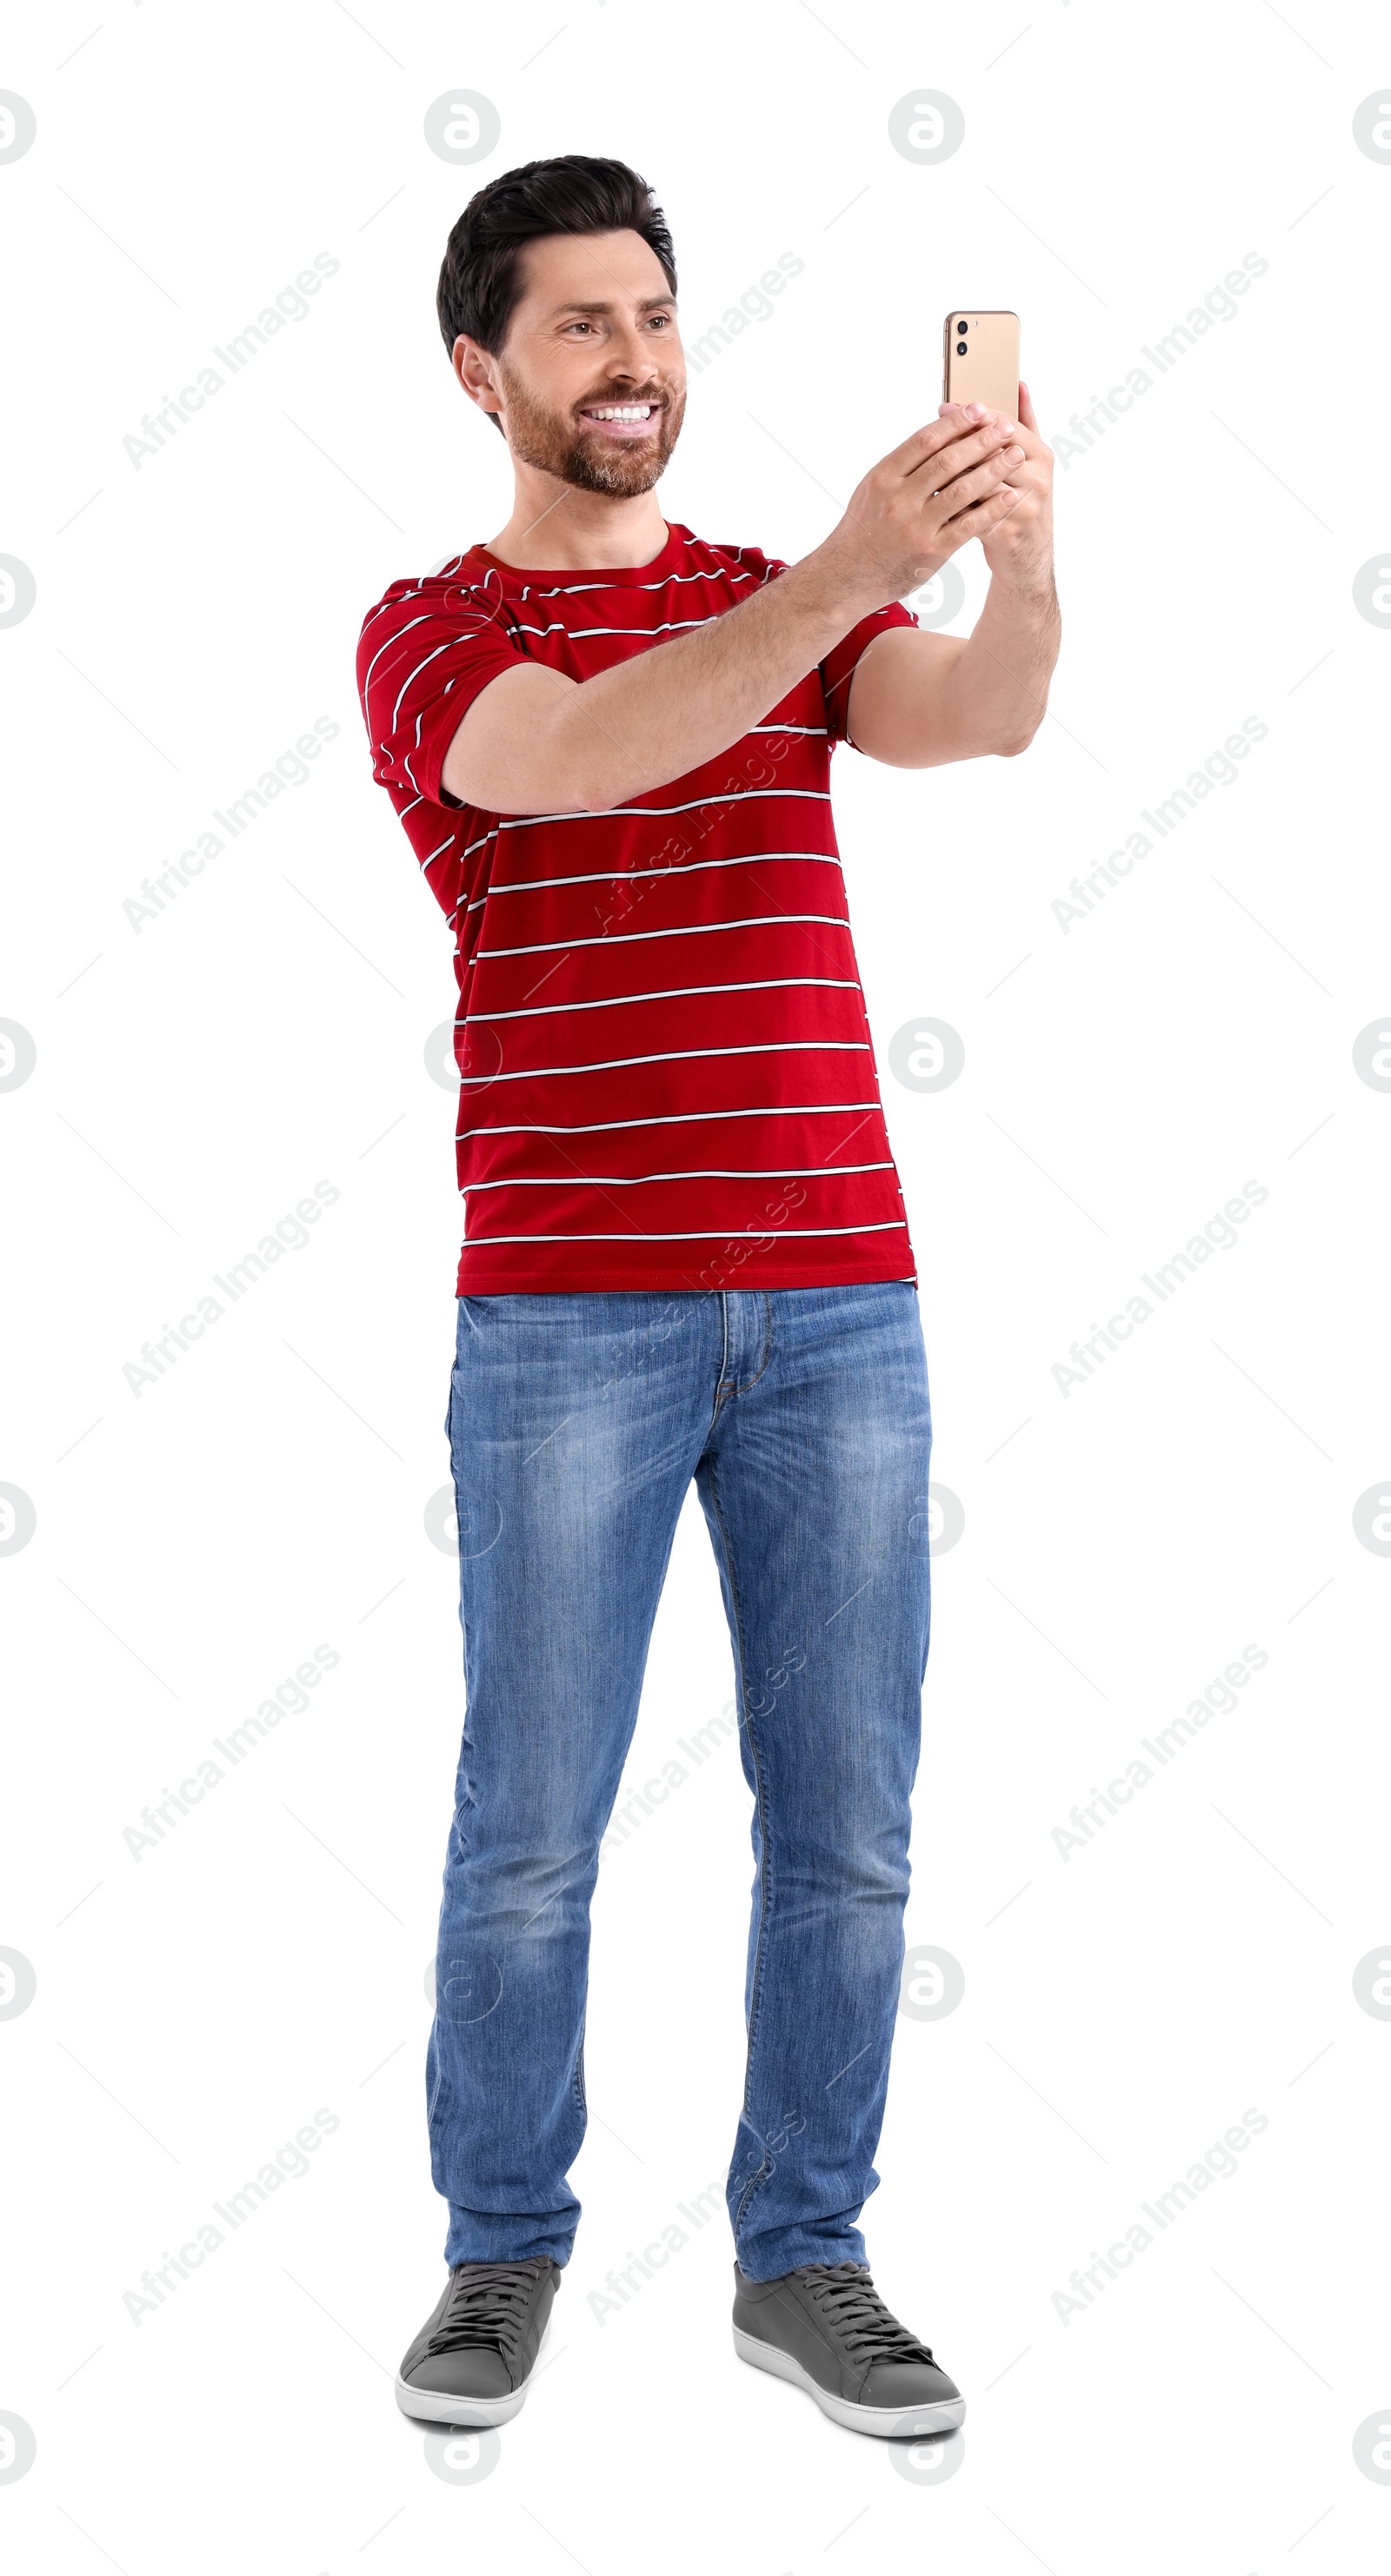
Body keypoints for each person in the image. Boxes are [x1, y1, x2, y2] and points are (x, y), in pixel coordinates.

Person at [356, 153, 1057, 2440]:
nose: (633, 356)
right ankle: (500, 2246)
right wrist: (858, 565)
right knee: (533, 1817)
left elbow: (979, 719)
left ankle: (808, 2252)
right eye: (577, 324)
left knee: (850, 1813)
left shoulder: (789, 601)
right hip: (568, 1313)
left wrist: (1015, 566)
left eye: (651, 313)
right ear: (484, 372)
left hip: (841, 1297)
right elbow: (580, 760)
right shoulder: (435, 632)